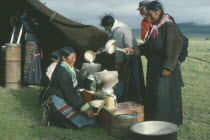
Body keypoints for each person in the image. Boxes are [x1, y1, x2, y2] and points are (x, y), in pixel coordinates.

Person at [126, 1, 183, 126]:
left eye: (150, 15)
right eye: (147, 15)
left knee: (162, 95)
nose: (148, 18)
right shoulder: (155, 27)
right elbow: (149, 46)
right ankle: (154, 120)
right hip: (154, 67)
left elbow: (174, 46)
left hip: (165, 69)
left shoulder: (168, 26)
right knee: (154, 93)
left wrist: (168, 66)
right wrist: (135, 50)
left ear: (158, 12)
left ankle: (166, 123)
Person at [44, 46, 98, 128]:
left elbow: (82, 80)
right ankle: (54, 117)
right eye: (72, 58)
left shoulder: (70, 68)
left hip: (67, 96)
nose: (74, 60)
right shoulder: (61, 71)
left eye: (75, 57)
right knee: (77, 120)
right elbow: (70, 93)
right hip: (58, 99)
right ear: (64, 58)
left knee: (89, 114)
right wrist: (86, 110)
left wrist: (97, 85)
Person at [100, 15, 145, 104]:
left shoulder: (118, 31)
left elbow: (118, 49)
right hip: (133, 55)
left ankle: (130, 100)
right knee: (135, 79)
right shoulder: (121, 27)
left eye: (105, 27)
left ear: (109, 25)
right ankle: (137, 100)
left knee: (128, 79)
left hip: (128, 57)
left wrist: (118, 63)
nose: (105, 29)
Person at [21, 9, 42, 85]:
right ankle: (29, 79)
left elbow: (23, 20)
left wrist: (25, 12)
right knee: (30, 62)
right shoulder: (34, 26)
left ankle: (31, 80)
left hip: (32, 46)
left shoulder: (34, 27)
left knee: (31, 62)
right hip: (31, 46)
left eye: (32, 18)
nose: (31, 19)